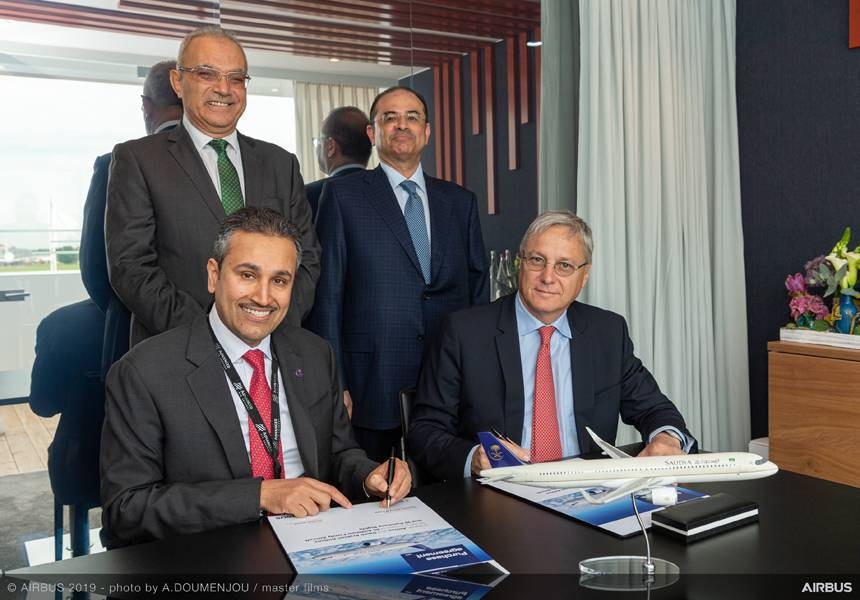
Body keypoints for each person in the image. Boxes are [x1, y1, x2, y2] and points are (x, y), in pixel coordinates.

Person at [100, 207, 411, 548]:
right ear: (213, 275)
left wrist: (369, 476)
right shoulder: (144, 372)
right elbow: (126, 510)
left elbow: (338, 454)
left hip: (318, 546)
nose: (263, 297)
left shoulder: (315, 354)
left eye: (279, 280)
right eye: (248, 275)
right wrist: (260, 495)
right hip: (214, 559)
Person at [408, 211, 696, 481]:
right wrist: (474, 458)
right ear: (519, 263)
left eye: (564, 266)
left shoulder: (606, 332)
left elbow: (655, 410)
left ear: (584, 276)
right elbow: (425, 430)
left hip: (586, 492)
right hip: (500, 495)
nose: (548, 277)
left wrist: (665, 439)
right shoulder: (464, 332)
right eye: (537, 260)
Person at [105, 26, 320, 347]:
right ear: (178, 82)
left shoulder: (280, 163)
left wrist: (268, 326)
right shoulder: (138, 159)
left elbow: (308, 259)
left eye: (236, 78)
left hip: (270, 349)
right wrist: (213, 334)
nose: (224, 88)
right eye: (207, 74)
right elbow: (131, 267)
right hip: (177, 352)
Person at [307, 86, 488, 462]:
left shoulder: (460, 202)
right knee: (376, 497)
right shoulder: (343, 196)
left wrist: (477, 375)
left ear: (427, 131)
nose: (401, 125)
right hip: (372, 383)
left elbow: (476, 293)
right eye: (389, 118)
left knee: (449, 495)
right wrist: (335, 383)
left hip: (446, 381)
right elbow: (328, 298)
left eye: (411, 117)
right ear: (372, 134)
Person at [80, 60, 183, 378]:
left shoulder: (113, 164)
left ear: (146, 106)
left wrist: (129, 310)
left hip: (132, 339)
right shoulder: (229, 165)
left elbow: (95, 267)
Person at [29, 299, 106, 556]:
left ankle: (79, 557)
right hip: (160, 468)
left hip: (82, 465)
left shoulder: (61, 322)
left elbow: (43, 404)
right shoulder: (176, 319)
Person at [305, 106, 372, 220]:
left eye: (319, 141)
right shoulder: (388, 191)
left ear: (331, 146)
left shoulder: (310, 195)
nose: (317, 148)